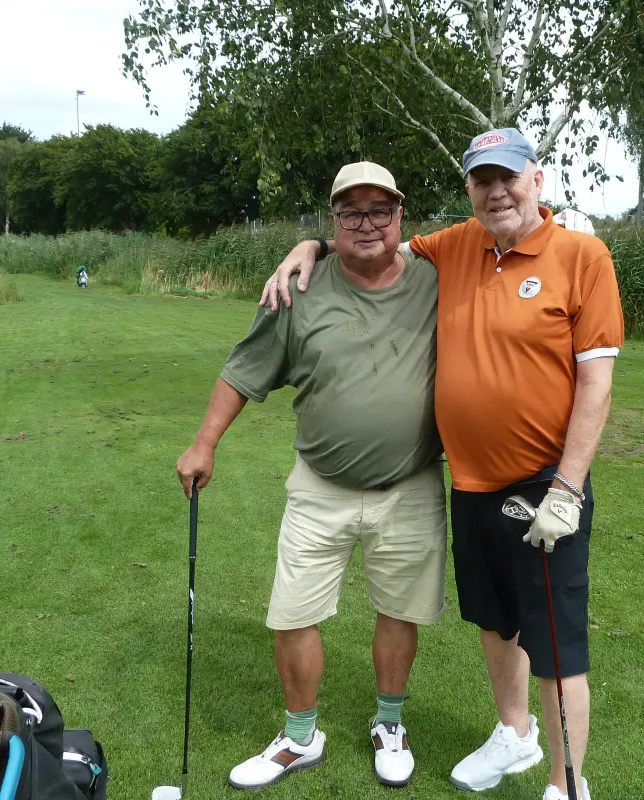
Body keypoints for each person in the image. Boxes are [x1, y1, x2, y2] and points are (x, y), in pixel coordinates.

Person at [263, 128, 623, 800]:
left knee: (556, 645)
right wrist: (309, 246)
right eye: (483, 181)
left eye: (508, 177)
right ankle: (514, 733)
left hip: (546, 485)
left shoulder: (582, 255)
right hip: (472, 482)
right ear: (469, 191)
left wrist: (568, 488)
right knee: (495, 621)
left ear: (536, 180)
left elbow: (596, 382)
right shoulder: (456, 245)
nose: (497, 192)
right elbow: (372, 242)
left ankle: (567, 784)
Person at [176, 161, 446, 790]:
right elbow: (244, 369)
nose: (367, 224)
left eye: (380, 210)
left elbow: (500, 244)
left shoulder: (437, 279)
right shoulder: (297, 289)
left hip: (410, 486)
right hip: (319, 486)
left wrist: (314, 242)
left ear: (400, 215)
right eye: (351, 213)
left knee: (399, 611)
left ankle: (389, 724)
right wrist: (203, 443)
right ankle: (300, 737)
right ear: (333, 219)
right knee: (292, 614)